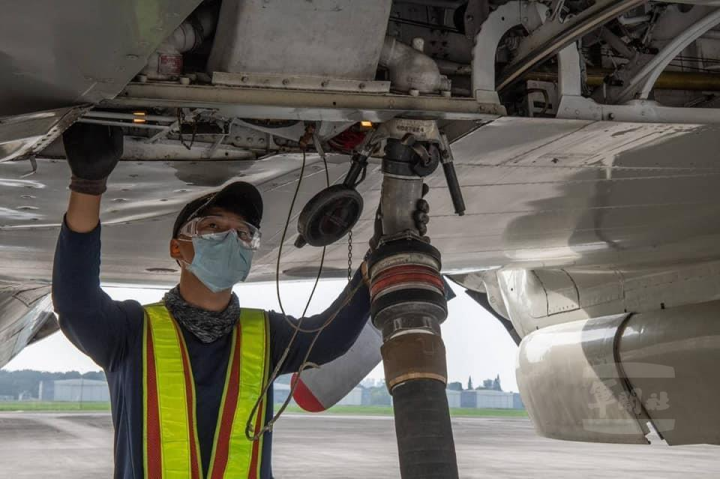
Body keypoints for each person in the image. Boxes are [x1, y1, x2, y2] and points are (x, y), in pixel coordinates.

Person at [52, 124, 371, 479]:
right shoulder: (130, 331)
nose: (231, 239)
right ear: (177, 248)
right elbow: (75, 302)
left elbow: (331, 336)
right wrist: (88, 186)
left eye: (243, 233)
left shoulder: (268, 334)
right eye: (214, 228)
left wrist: (374, 269)